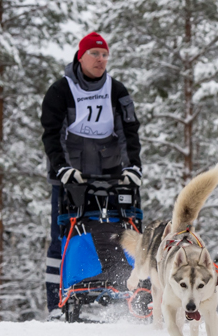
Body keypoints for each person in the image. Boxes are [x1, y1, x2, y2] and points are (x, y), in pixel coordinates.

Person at [40, 32, 142, 319]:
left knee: (119, 230)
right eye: (95, 54)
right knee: (63, 234)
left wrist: (133, 166)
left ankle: (122, 292)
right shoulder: (61, 90)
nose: (101, 59)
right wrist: (62, 168)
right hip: (71, 174)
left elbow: (129, 132)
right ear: (81, 56)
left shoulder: (117, 90)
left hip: (111, 175)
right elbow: (52, 133)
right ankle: (56, 304)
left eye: (104, 54)